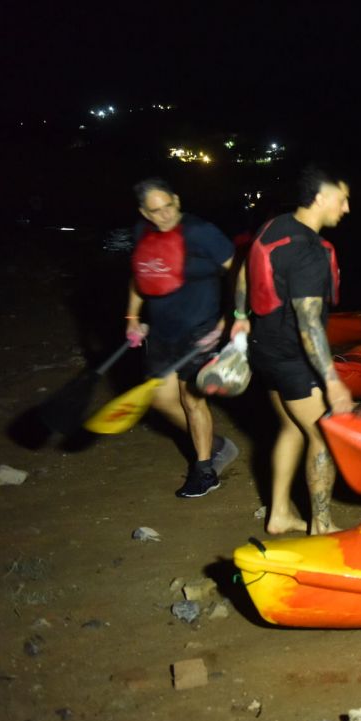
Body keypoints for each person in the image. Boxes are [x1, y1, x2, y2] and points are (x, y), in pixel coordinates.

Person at [229, 166, 353, 535]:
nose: (347, 208)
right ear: (319, 198)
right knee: (323, 437)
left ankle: (280, 514)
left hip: (262, 351)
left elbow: (242, 274)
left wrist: (239, 315)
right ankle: (322, 524)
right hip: (293, 360)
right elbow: (309, 325)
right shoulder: (309, 253)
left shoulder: (274, 226)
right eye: (342, 198)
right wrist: (331, 381)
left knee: (291, 428)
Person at [126, 178, 238, 498]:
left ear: (177, 198)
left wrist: (229, 318)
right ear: (144, 213)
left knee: (192, 399)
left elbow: (239, 271)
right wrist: (133, 318)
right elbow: (139, 276)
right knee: (160, 399)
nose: (165, 216)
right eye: (156, 211)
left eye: (169, 206)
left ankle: (204, 471)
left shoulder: (202, 232)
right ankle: (215, 445)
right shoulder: (142, 232)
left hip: (201, 329)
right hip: (162, 330)